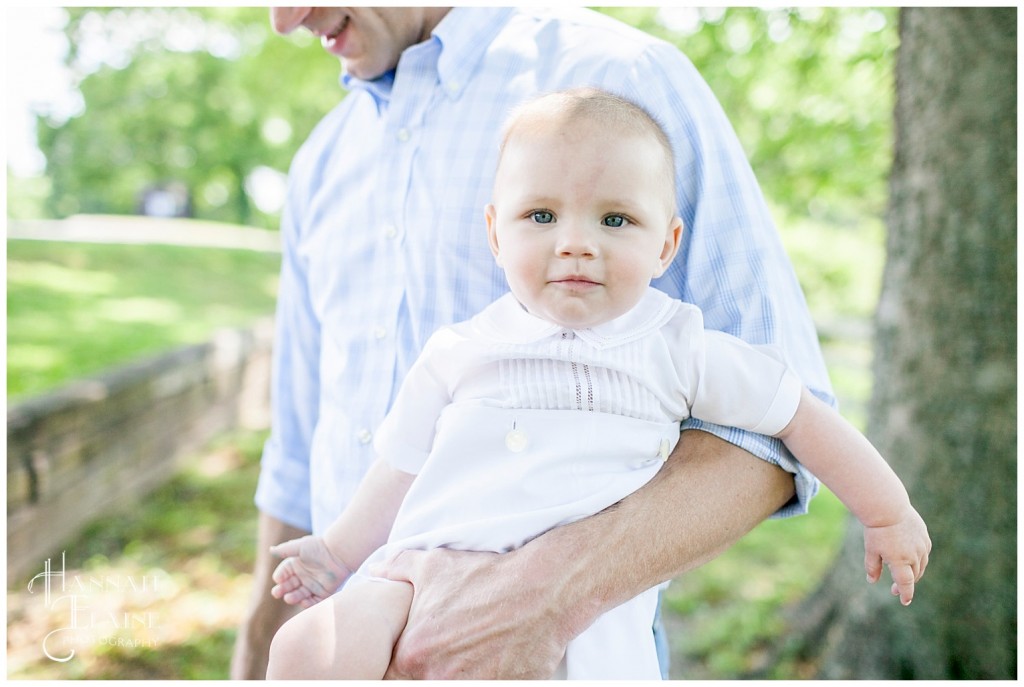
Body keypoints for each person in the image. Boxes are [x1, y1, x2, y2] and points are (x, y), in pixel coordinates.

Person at [233, 7, 837, 680]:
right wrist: (259, 646)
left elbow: (781, 421)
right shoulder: (322, 158)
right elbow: (297, 448)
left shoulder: (620, 77)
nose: (285, 19)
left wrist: (538, 600)